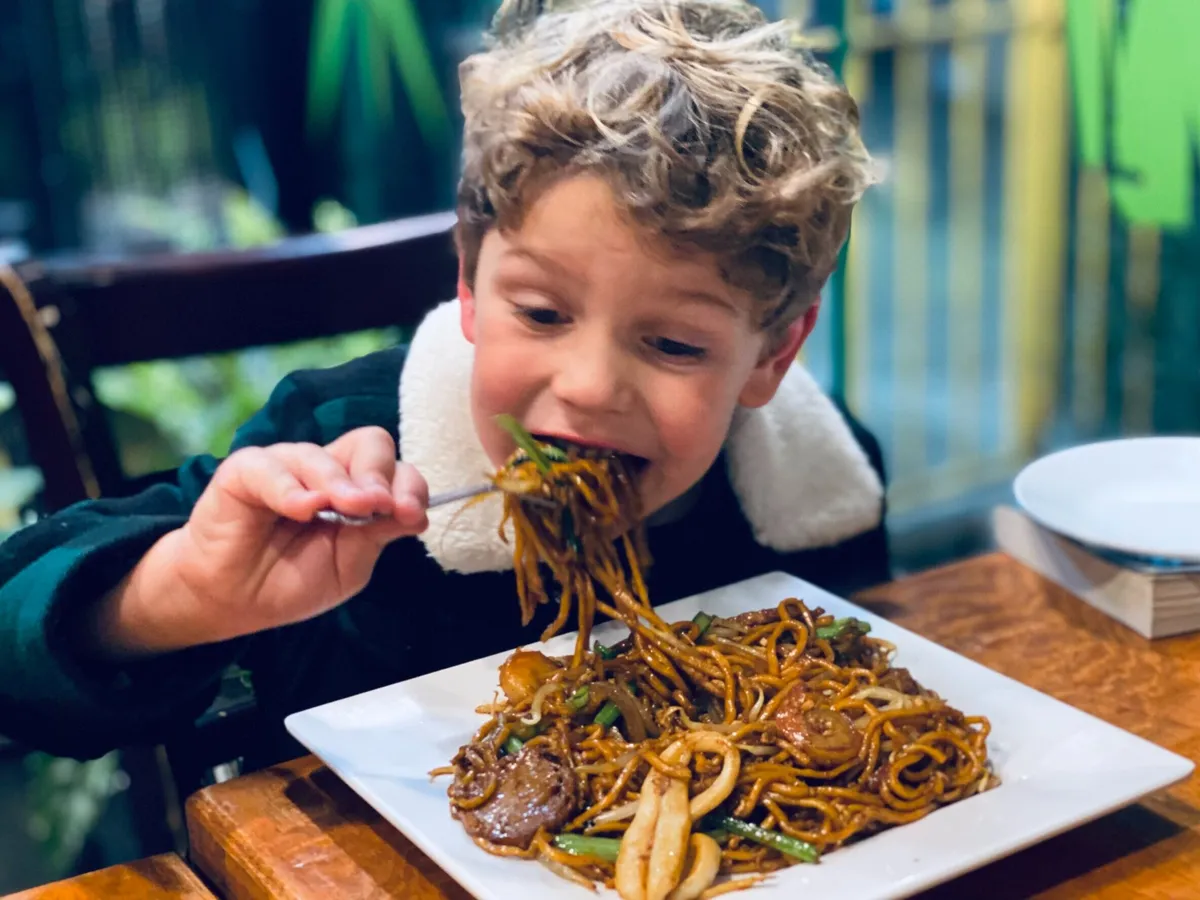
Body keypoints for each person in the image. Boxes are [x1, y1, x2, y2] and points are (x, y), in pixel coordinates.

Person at [0, 0, 888, 773]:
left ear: (772, 356)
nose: (585, 388)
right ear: (468, 282)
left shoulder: (817, 492)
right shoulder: (337, 441)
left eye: (671, 343)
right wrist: (182, 594)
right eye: (541, 313)